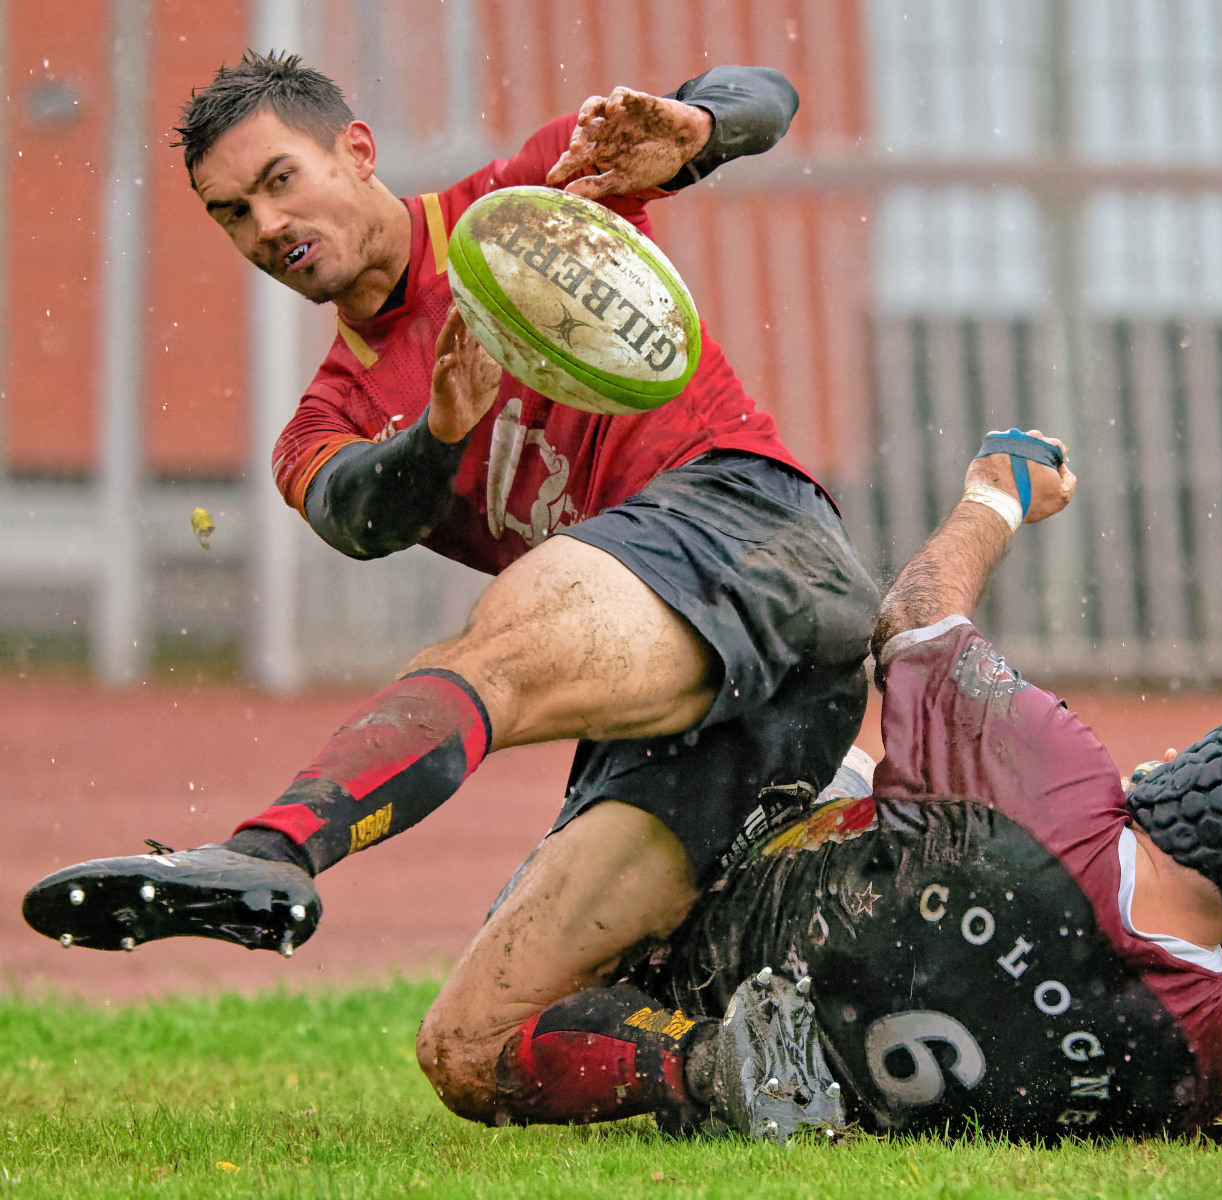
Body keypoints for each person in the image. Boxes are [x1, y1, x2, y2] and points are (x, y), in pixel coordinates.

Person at [22, 52, 878, 1137]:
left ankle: (269, 853)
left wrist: (696, 130)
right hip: (686, 698)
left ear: (357, 152)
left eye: (281, 180)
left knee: (500, 648)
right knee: (470, 1048)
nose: (266, 226)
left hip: (754, 536)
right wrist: (438, 433)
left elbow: (766, 92)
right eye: (231, 213)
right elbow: (361, 516)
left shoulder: (521, 204)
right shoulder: (322, 420)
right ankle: (752, 1069)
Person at [629, 428, 1222, 1141]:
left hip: (705, 959)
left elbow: (910, 620)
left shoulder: (1058, 784)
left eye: (1190, 757)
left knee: (805, 659)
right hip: (849, 1087)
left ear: (1199, 790)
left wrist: (996, 493)